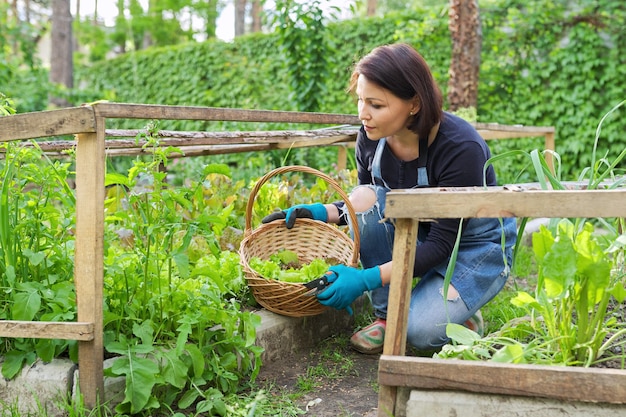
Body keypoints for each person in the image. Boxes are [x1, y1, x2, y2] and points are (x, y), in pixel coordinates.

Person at [262, 43, 517, 354]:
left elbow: (441, 245)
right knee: (366, 194)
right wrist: (316, 212)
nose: (363, 114)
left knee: (419, 333)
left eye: (376, 105)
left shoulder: (460, 147)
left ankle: (461, 314)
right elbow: (367, 205)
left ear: (413, 104)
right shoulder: (370, 138)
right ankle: (387, 316)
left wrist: (365, 279)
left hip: (474, 248)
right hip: (421, 234)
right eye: (360, 100)